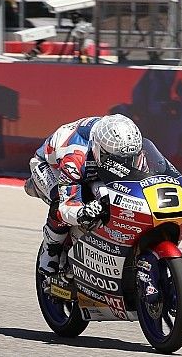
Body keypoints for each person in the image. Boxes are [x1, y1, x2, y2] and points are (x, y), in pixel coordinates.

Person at [24, 114, 146, 274]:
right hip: (49, 167)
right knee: (59, 202)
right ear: (98, 149)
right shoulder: (75, 157)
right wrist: (83, 212)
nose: (122, 165)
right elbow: (68, 206)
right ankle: (50, 252)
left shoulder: (128, 147)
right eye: (114, 159)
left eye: (129, 159)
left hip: (92, 168)